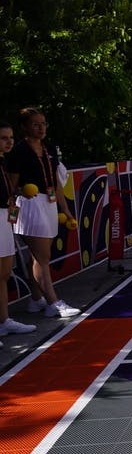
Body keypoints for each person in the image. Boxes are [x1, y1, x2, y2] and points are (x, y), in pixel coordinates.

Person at [4, 108, 80, 319]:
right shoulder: (18, 151)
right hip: (29, 205)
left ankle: (36, 299)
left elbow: (56, 183)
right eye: (35, 124)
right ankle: (53, 303)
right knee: (42, 257)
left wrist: (66, 210)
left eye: (43, 123)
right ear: (24, 127)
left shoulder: (49, 149)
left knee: (37, 258)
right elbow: (10, 186)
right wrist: (17, 198)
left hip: (49, 204)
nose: (41, 128)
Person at [0, 120, 38, 345]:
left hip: (5, 217)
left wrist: (18, 192)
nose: (9, 142)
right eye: (4, 138)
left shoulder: (4, 162)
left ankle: (4, 321)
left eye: (11, 138)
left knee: (4, 274)